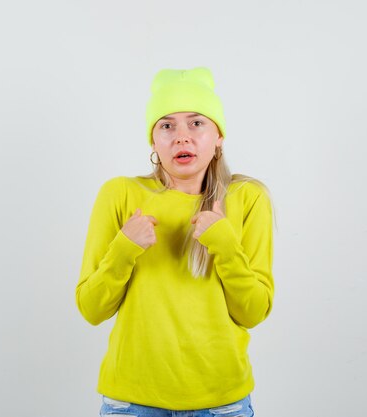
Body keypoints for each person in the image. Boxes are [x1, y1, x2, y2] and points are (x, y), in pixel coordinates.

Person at [76, 67, 275, 417]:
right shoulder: (121, 194)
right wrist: (124, 248)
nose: (182, 137)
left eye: (196, 123)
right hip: (133, 403)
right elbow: (92, 309)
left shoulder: (248, 197)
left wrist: (225, 246)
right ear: (153, 141)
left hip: (221, 402)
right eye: (167, 126)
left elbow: (253, 311)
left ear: (219, 137)